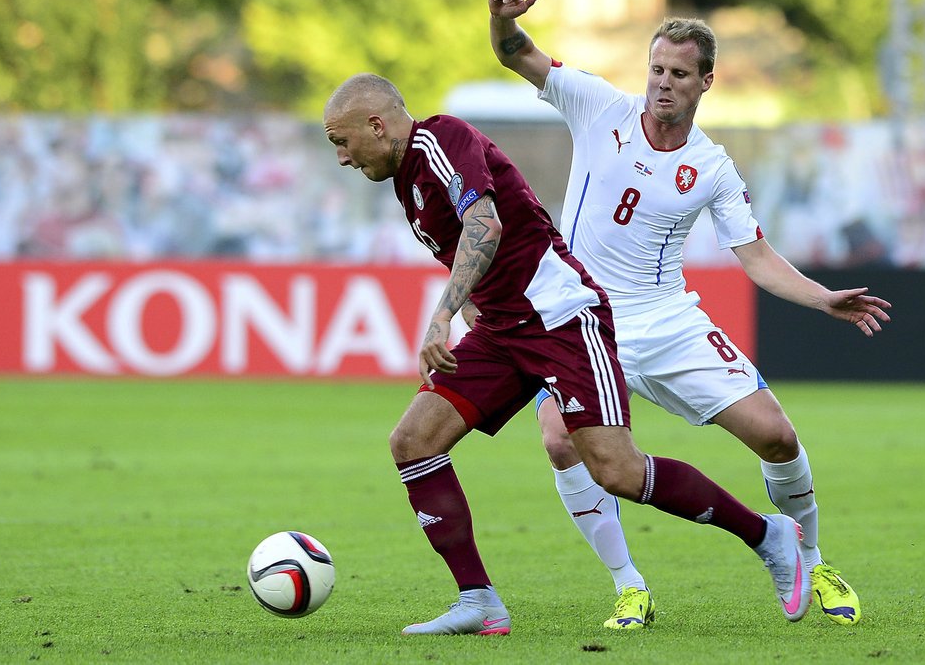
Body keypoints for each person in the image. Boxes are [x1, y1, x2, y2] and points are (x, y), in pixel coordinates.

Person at [323, 72, 814, 636]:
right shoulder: (404, 178)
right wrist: (472, 314)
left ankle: (767, 534)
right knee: (413, 442)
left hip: (561, 320)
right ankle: (479, 600)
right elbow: (478, 247)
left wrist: (441, 313)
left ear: (377, 124)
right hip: (504, 329)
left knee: (618, 471)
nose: (340, 155)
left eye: (341, 140)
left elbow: (484, 221)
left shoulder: (440, 140)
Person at [487, 0, 893, 629]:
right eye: (656, 69)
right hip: (581, 322)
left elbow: (755, 256)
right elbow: (516, 54)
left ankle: (812, 560)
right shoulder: (597, 105)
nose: (663, 82)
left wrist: (823, 299)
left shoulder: (712, 168)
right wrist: (502, 23)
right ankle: (629, 586)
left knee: (777, 435)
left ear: (707, 81)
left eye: (679, 73)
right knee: (561, 443)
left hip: (666, 320)